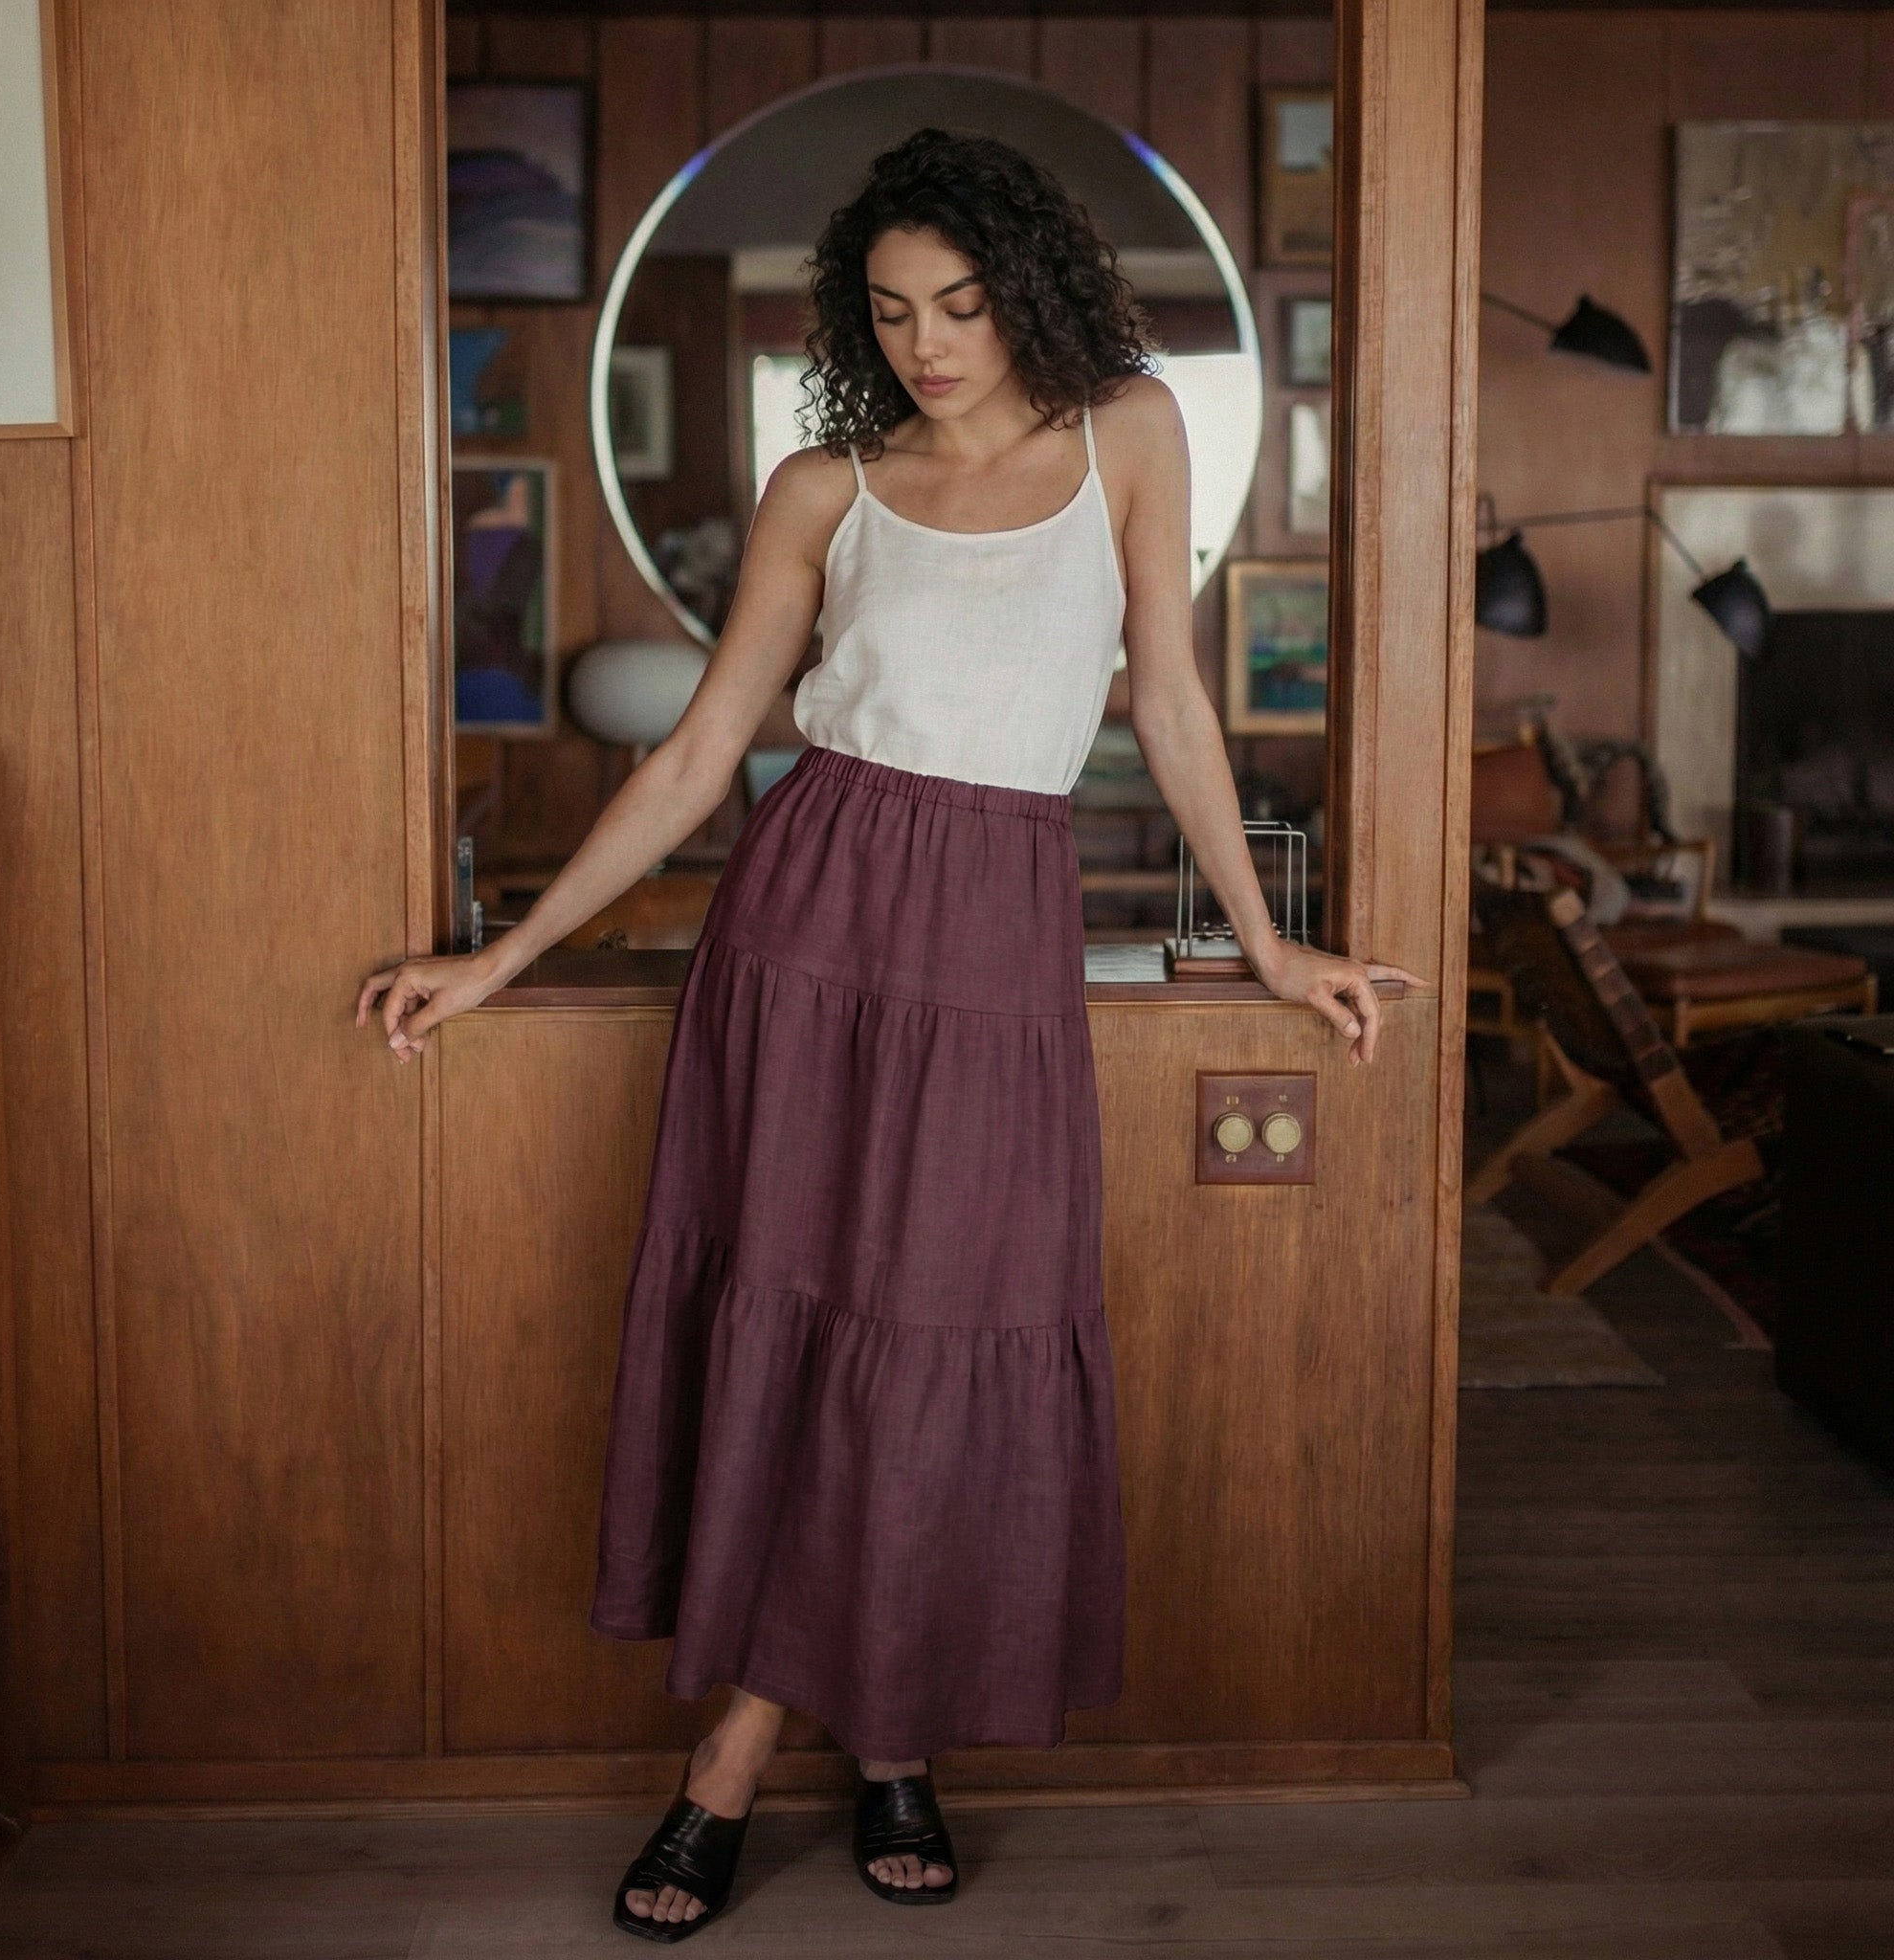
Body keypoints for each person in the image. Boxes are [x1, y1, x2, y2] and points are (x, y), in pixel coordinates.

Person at [358, 125, 1426, 1943]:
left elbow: (1164, 698)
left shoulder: (1133, 439)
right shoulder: (820, 484)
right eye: (889, 310)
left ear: (1032, 289)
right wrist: (504, 952)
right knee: (799, 1325)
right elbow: (701, 755)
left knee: (940, 1327)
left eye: (962, 302)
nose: (929, 342)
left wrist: (1270, 938)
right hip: (806, 919)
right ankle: (853, 1756)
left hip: (999, 931)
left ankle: (804, 1746)